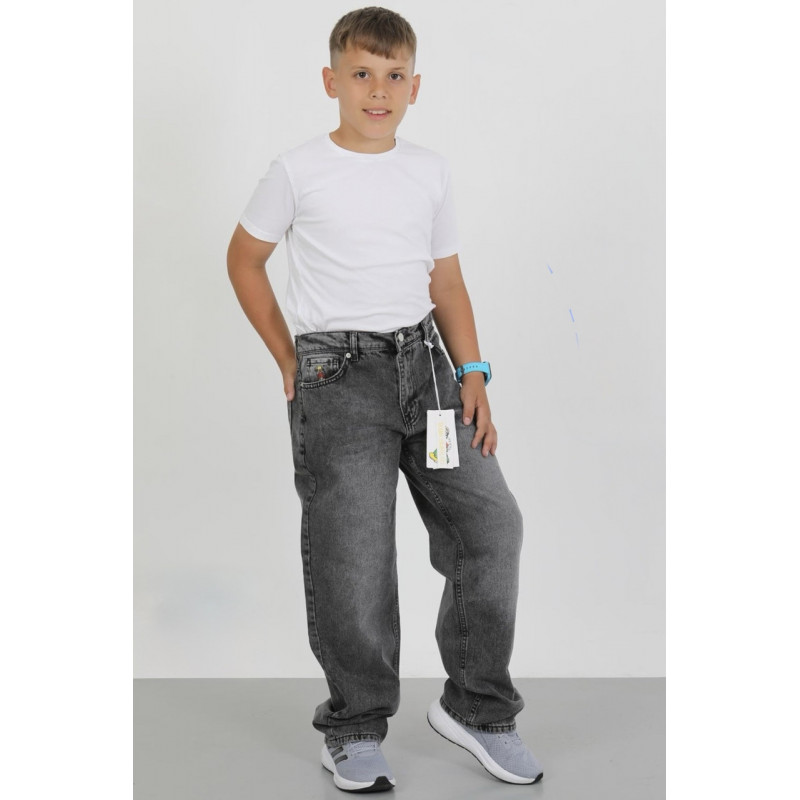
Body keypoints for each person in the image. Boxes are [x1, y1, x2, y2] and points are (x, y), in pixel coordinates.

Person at [227, 6, 543, 793]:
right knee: (355, 557)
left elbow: (447, 282)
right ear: (331, 81)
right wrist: (287, 354)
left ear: (415, 86)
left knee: (490, 524)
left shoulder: (428, 171)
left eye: (394, 75)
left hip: (429, 373)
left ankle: (477, 708)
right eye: (362, 74)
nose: (378, 90)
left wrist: (474, 374)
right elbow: (243, 259)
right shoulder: (298, 170)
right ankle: (356, 726)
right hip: (339, 381)